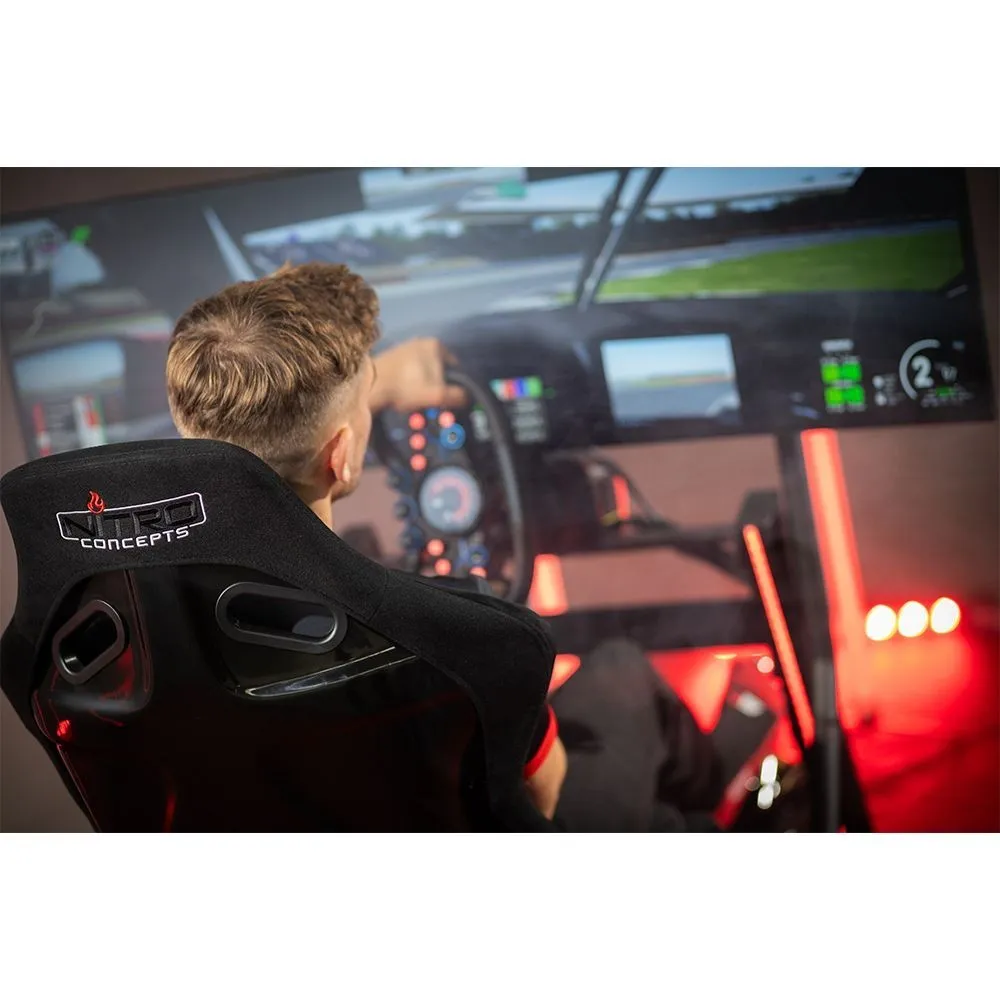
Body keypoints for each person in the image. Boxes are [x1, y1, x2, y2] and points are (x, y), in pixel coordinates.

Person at [166, 261, 723, 831]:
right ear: (343, 458)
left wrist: (373, 382)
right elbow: (544, 797)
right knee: (623, 672)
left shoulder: (148, 629)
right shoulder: (470, 634)